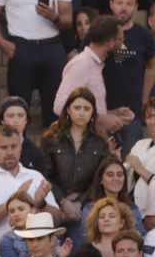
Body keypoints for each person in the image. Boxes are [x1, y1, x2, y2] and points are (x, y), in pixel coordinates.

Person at [41, 88, 113, 241]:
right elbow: (44, 175)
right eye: (77, 108)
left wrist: (80, 203)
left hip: (86, 206)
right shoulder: (51, 138)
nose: (81, 113)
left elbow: (100, 178)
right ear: (68, 109)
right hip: (54, 204)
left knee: (80, 249)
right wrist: (63, 201)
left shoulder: (100, 142)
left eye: (87, 109)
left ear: (93, 112)